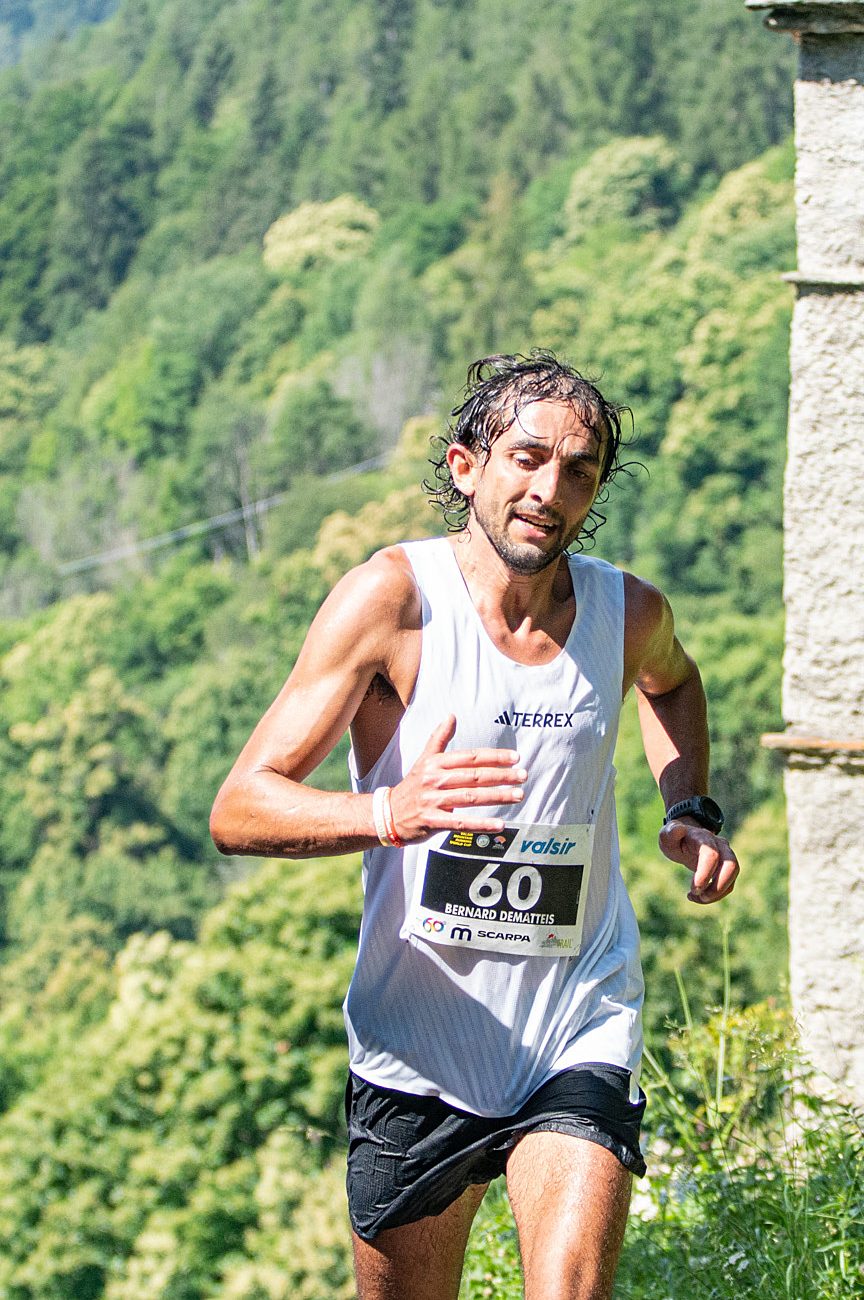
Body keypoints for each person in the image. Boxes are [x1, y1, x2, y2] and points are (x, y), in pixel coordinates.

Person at [210, 352, 740, 1300]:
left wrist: (688, 805)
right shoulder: (394, 602)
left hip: (577, 1017)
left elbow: (674, 682)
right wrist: (389, 811)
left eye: (578, 471)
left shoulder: (626, 613)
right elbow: (241, 804)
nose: (549, 490)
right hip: (417, 1041)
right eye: (526, 458)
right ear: (465, 466)